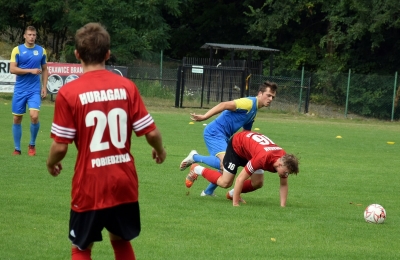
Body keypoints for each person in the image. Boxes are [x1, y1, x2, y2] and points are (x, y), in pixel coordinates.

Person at [46, 23, 166, 260]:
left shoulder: (69, 93)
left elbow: (60, 146)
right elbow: (151, 133)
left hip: (89, 184)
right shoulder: (127, 87)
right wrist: (159, 150)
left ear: (77, 54)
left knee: (81, 247)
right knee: (121, 241)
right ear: (108, 54)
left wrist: (51, 163)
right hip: (124, 181)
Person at [179, 81, 278, 196]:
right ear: (260, 93)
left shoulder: (254, 111)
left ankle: (208, 192)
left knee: (227, 167)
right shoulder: (249, 103)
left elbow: (246, 133)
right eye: (268, 95)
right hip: (214, 132)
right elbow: (224, 105)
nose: (270, 99)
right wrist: (204, 116)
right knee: (227, 163)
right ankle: (195, 157)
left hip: (225, 137)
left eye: (273, 97)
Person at [184, 131, 299, 206]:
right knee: (225, 182)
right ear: (279, 164)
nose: (286, 175)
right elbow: (240, 179)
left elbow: (283, 184)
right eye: (286, 172)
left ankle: (233, 193)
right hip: (237, 147)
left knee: (258, 182)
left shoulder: (283, 159)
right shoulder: (262, 158)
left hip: (251, 151)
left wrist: (282, 206)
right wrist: (235, 204)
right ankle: (196, 168)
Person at [10, 25, 48, 156]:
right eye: (29, 35)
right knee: (16, 118)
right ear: (24, 36)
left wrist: (44, 87)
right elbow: (13, 69)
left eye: (34, 35)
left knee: (34, 116)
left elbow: (45, 69)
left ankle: (32, 145)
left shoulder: (41, 51)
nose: (32, 37)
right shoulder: (17, 50)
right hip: (20, 89)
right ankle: (17, 149)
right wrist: (30, 70)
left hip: (34, 90)